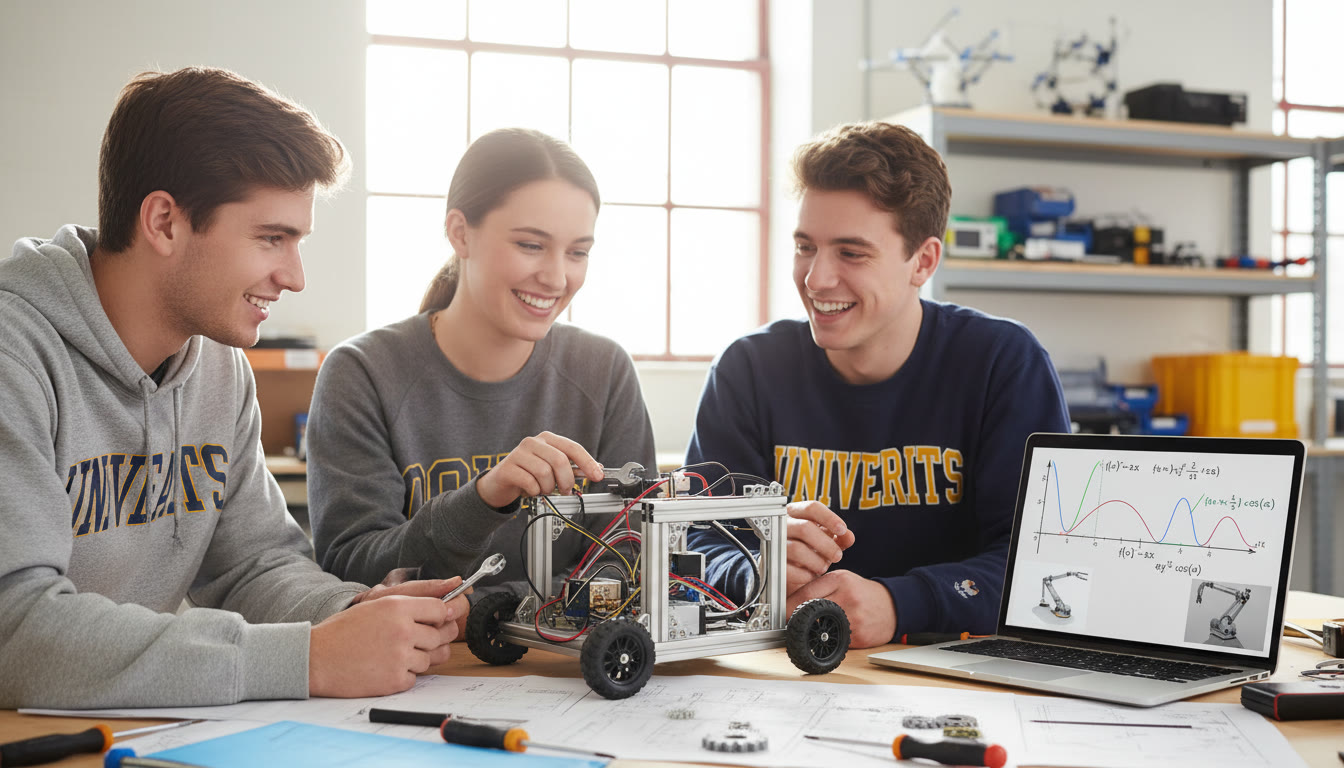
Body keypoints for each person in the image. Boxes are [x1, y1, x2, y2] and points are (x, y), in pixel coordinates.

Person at [0, 67, 470, 709]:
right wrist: (308, 659)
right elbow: (15, 631)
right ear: (164, 222)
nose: (295, 276)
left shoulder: (218, 365)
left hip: (127, 731)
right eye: (271, 238)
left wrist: (352, 611)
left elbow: (253, 567)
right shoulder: (15, 356)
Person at [685, 121, 1069, 648]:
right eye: (805, 247)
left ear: (924, 261)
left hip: (957, 672)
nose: (816, 279)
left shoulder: (1003, 363)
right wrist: (758, 565)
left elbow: (1041, 563)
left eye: (851, 252)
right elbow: (694, 539)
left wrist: (898, 604)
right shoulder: (747, 370)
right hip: (784, 672)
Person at [306, 128, 656, 598]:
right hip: (418, 664)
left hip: (565, 663)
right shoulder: (363, 373)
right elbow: (352, 567)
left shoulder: (604, 370)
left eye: (578, 252)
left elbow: (632, 555)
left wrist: (492, 611)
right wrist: (483, 499)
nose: (557, 277)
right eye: (531, 245)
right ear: (459, 233)